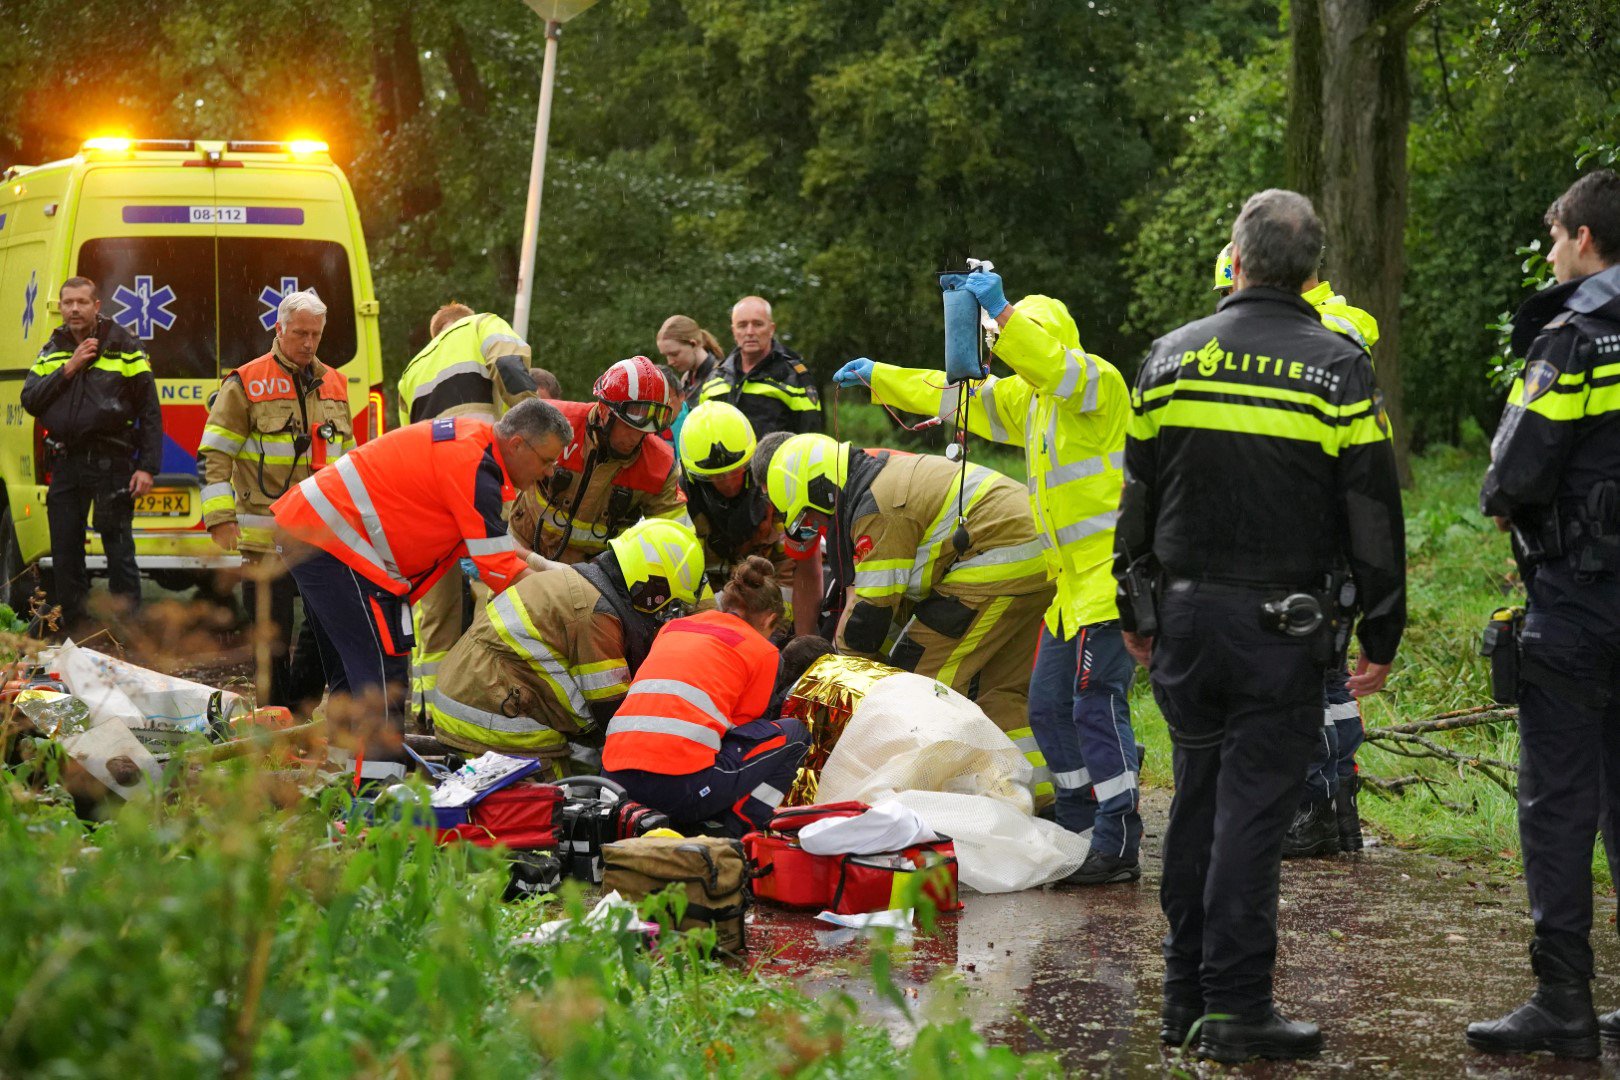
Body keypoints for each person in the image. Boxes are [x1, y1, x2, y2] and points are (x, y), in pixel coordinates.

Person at [1116, 189, 1405, 1063]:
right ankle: (1237, 1008)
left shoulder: (1167, 359)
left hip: (1187, 623)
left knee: (1197, 802)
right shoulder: (1339, 365)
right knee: (1249, 816)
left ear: (1235, 262)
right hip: (1281, 626)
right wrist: (1381, 630)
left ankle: (1182, 999)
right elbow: (1372, 510)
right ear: (1314, 275)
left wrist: (1136, 607)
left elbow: (1137, 494)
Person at [834, 280, 1142, 885]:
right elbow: (951, 395)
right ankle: (1081, 825)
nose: (1001, 351)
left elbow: (1050, 363)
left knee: (1094, 708)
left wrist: (999, 312)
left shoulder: (1093, 383)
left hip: (1110, 585)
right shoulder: (1034, 401)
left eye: (1005, 340)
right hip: (1069, 592)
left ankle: (1119, 838)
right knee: (1050, 709)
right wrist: (880, 376)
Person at [1467, 170, 1620, 1061]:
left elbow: (1512, 474)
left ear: (1587, 241)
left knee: (1560, 801)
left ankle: (1563, 997)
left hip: (1581, 602)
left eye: (1558, 236)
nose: (1555, 251)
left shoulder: (1578, 336)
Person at [271, 398, 571, 782]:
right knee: (382, 674)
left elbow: (486, 540)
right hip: (336, 545)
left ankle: (343, 778)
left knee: (352, 675)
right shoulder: (476, 467)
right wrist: (564, 588)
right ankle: (379, 793)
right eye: (546, 460)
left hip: (318, 535)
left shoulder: (473, 448)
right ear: (517, 444)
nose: (549, 472)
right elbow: (499, 570)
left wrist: (542, 565)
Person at [760, 432, 1056, 797]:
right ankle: (1036, 795)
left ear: (822, 490)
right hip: (1039, 551)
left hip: (999, 559)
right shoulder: (878, 480)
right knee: (1001, 689)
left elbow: (869, 618)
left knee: (920, 685)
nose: (817, 528)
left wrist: (838, 683)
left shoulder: (876, 508)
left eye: (810, 517)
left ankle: (927, 798)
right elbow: (887, 610)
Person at [1214, 248, 1382, 858]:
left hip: (1301, 540)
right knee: (1327, 680)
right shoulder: (1336, 331)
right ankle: (1337, 807)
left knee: (1296, 679)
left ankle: (1313, 808)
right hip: (1329, 534)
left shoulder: (1319, 330)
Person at [429, 519, 705, 769]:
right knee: (564, 803)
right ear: (652, 590)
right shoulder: (597, 615)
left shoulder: (583, 584)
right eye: (667, 605)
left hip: (465, 697)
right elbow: (613, 716)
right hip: (488, 717)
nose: (662, 617)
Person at [199, 288, 348, 716]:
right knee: (272, 637)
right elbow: (215, 454)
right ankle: (272, 719)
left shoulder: (334, 384)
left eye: (316, 335)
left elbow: (349, 461)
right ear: (279, 329)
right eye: (300, 332)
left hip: (320, 535)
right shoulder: (246, 381)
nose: (308, 342)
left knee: (326, 629)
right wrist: (220, 518)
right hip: (264, 536)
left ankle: (297, 711)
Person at [396, 303, 539, 721]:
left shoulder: (412, 369)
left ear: (434, 333)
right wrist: (533, 424)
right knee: (494, 584)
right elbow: (510, 364)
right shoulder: (480, 325)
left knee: (435, 607)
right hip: (479, 473)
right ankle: (482, 701)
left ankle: (429, 713)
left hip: (428, 492)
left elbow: (410, 438)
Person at [603, 556, 811, 837]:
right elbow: (743, 729)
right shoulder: (763, 651)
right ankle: (735, 834)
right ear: (770, 618)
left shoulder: (671, 629)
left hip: (613, 780)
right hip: (679, 788)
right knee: (795, 734)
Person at [21, 276, 160, 635]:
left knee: (118, 549)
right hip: (67, 462)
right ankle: (77, 632)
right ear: (62, 307)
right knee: (65, 551)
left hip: (111, 462)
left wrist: (147, 467)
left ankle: (128, 633)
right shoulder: (54, 347)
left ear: (97, 306)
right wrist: (70, 368)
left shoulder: (123, 345)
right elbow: (31, 399)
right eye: (68, 303)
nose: (74, 309)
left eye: (82, 302)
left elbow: (149, 409)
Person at [509, 356, 690, 565]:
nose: (635, 438)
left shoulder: (660, 465)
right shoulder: (552, 423)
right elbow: (501, 468)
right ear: (604, 410)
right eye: (629, 426)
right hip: (521, 552)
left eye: (645, 431)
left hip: (594, 578)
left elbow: (678, 544)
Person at [678, 401, 822, 637]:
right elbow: (684, 586)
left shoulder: (776, 488)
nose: (728, 483)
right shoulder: (680, 505)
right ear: (696, 478)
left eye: (736, 471)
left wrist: (782, 637)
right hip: (707, 622)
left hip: (772, 618)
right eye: (717, 477)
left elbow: (797, 571)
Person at [698, 296, 821, 438]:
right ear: (734, 331)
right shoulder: (716, 377)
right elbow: (701, 432)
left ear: (771, 329)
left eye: (757, 324)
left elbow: (811, 438)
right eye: (742, 325)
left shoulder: (793, 376)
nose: (750, 332)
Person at [656, 314, 724, 444]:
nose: (669, 362)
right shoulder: (687, 377)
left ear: (693, 344)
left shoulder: (719, 377)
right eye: (666, 356)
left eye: (674, 354)